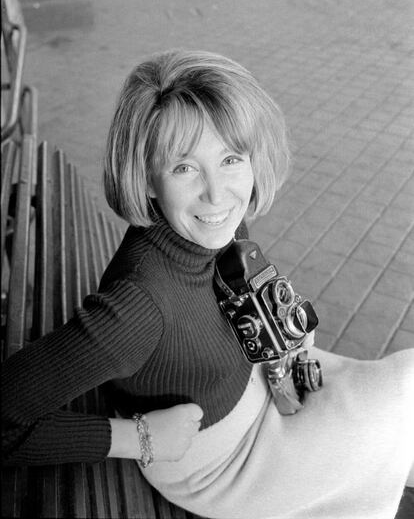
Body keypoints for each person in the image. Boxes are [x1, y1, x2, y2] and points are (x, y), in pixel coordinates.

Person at [2, 50, 414, 519]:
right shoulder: (138, 305)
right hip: (227, 463)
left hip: (267, 384)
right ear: (147, 179)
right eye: (184, 168)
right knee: (404, 391)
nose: (217, 195)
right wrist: (134, 438)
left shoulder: (208, 229)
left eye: (231, 159)